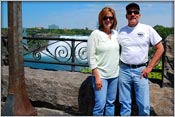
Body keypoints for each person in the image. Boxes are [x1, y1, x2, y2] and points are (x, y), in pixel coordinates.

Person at [118, 2, 164, 116]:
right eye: (130, 12)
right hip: (123, 70)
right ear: (126, 15)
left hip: (141, 71)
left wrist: (150, 67)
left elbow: (160, 48)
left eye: (135, 12)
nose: (133, 14)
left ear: (139, 15)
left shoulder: (147, 29)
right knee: (124, 104)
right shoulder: (121, 31)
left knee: (143, 105)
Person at [87, 6, 120, 116]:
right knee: (100, 105)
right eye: (105, 18)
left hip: (114, 75)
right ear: (101, 19)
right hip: (101, 76)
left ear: (114, 19)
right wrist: (97, 76)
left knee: (111, 104)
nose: (108, 20)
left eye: (111, 18)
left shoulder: (116, 34)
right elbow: (91, 57)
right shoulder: (95, 34)